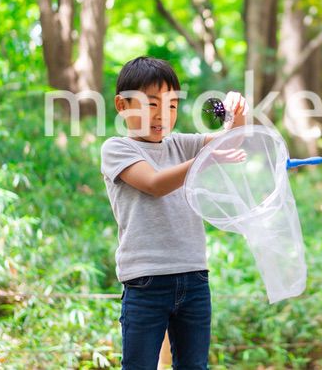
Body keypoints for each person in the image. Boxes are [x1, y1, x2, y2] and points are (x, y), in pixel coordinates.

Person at [101, 56, 247, 370]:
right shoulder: (117, 149)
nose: (162, 116)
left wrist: (236, 113)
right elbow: (154, 183)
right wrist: (204, 160)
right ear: (122, 105)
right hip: (145, 282)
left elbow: (233, 138)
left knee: (194, 366)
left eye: (170, 106)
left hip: (194, 277)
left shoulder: (180, 144)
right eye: (151, 104)